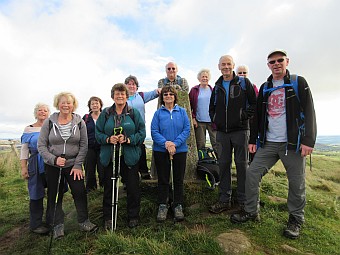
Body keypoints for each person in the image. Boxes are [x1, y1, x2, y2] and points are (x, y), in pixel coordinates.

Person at [230, 49, 317, 239]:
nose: (276, 64)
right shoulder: (265, 87)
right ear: (268, 65)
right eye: (272, 62)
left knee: (296, 182)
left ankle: (295, 220)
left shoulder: (298, 82)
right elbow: (258, 116)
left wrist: (308, 140)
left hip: (292, 144)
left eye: (280, 60)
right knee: (252, 174)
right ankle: (251, 212)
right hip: (268, 142)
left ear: (287, 62)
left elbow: (309, 110)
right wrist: (253, 140)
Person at [38, 92, 97, 239]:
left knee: (79, 192)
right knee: (55, 195)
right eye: (63, 102)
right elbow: (41, 146)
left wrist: (78, 165)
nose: (66, 105)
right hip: (53, 166)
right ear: (58, 104)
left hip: (73, 165)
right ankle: (58, 225)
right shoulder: (49, 122)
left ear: (73, 105)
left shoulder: (79, 122)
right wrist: (53, 159)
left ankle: (83, 221)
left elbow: (84, 145)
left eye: (69, 103)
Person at [208, 55, 256, 213]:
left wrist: (242, 117)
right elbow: (212, 108)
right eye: (223, 64)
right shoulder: (217, 86)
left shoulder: (243, 83)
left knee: (242, 166)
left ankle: (243, 201)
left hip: (241, 131)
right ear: (219, 66)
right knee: (223, 165)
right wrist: (216, 120)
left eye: (229, 64)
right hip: (222, 132)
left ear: (233, 65)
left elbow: (254, 104)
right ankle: (224, 200)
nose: (226, 67)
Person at [95, 83, 146, 229]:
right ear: (113, 96)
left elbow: (142, 133)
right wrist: (107, 139)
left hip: (129, 156)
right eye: (117, 94)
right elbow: (97, 133)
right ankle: (108, 218)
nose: (120, 96)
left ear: (126, 96)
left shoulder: (134, 113)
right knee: (109, 187)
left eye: (122, 94)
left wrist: (129, 139)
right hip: (109, 156)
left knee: (132, 187)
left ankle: (133, 216)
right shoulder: (105, 113)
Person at [151, 86, 190, 222]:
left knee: (178, 179)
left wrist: (175, 144)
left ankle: (177, 204)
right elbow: (154, 131)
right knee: (163, 179)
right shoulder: (158, 113)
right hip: (161, 150)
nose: (168, 96)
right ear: (162, 97)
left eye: (171, 94)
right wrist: (166, 144)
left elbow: (186, 129)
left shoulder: (182, 112)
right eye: (165, 94)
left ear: (175, 96)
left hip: (180, 150)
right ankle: (163, 204)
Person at [20, 103, 50, 234]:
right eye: (40, 110)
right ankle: (36, 224)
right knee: (36, 193)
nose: (42, 112)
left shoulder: (52, 126)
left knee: (55, 191)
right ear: (35, 113)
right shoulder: (29, 129)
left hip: (51, 162)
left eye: (45, 110)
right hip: (35, 163)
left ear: (48, 113)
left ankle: (52, 220)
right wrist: (23, 167)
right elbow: (24, 150)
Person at [125, 75, 161, 180]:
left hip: (139, 128)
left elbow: (154, 93)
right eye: (129, 84)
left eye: (133, 84)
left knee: (140, 148)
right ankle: (130, 175)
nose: (131, 86)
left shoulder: (141, 96)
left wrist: (160, 90)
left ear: (137, 86)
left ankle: (144, 172)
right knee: (129, 150)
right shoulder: (122, 97)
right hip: (127, 128)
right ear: (125, 86)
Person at [189, 68, 219, 156]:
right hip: (199, 121)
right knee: (200, 144)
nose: (204, 78)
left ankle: (220, 165)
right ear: (199, 78)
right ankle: (202, 163)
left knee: (216, 144)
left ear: (209, 78)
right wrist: (193, 118)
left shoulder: (213, 90)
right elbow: (190, 105)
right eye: (203, 77)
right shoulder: (194, 90)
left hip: (212, 121)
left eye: (206, 77)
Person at [83, 96, 104, 192]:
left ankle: (104, 189)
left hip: (103, 148)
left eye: (97, 103)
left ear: (100, 105)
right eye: (92, 104)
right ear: (90, 106)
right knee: (89, 170)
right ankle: (91, 191)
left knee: (103, 170)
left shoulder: (105, 116)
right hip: (89, 148)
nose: (95, 105)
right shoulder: (86, 118)